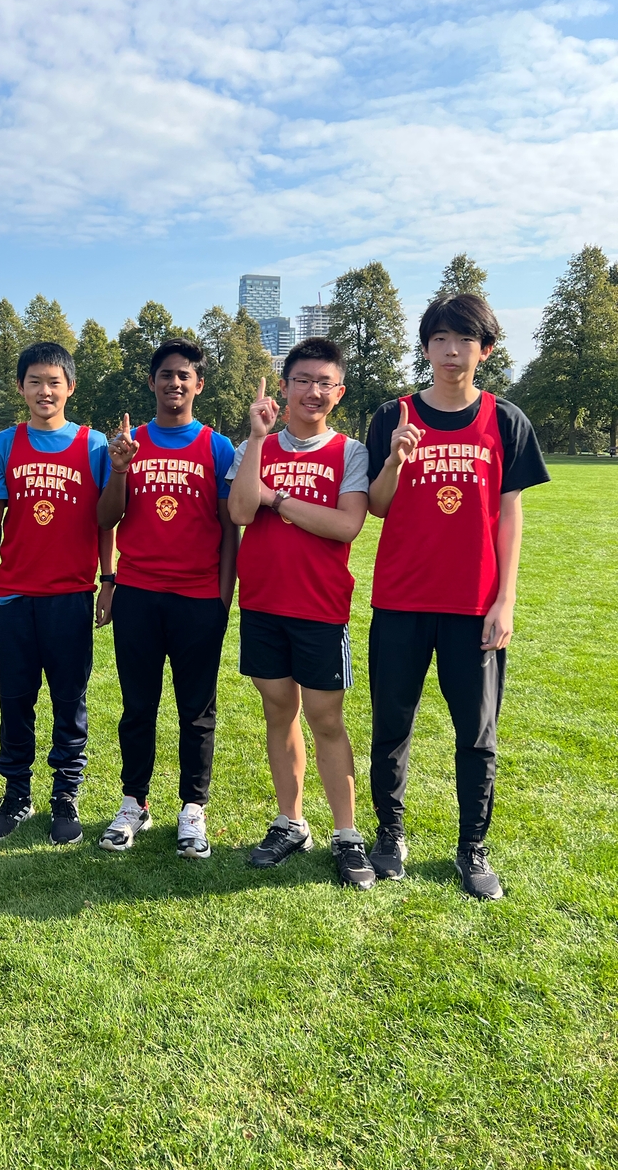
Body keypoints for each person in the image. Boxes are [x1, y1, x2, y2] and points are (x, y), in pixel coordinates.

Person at [366, 293, 549, 900]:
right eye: (439, 339)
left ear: (485, 350)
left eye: (463, 340)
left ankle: (472, 847)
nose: (450, 351)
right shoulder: (392, 415)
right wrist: (394, 461)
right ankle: (390, 835)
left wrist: (506, 601)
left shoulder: (506, 420)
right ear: (425, 347)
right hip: (401, 599)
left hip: (474, 606)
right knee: (392, 723)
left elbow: (509, 515)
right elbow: (376, 505)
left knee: (476, 733)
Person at [228, 339, 376, 890]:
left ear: (337, 394)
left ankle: (347, 834)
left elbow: (345, 526)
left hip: (319, 608)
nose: (312, 392)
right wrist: (258, 441)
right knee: (278, 713)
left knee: (327, 719)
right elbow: (241, 509)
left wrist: (279, 500)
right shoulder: (257, 446)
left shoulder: (350, 452)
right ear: (284, 385)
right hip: (263, 603)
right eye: (302, 380)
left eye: (324, 384)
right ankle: (290, 822)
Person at [95, 338, 238, 859]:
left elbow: (229, 530)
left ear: (198, 385)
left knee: (196, 710)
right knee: (138, 707)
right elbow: (104, 519)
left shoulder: (217, 447)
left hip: (199, 599)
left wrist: (222, 599)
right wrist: (121, 468)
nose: (174, 383)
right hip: (138, 594)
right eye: (165, 375)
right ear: (152, 382)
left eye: (184, 375)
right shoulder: (128, 443)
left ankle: (192, 809)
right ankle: (134, 802)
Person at [0, 341, 114, 846]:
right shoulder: (6, 443)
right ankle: (16, 793)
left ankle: (65, 795)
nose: (45, 391)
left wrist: (108, 579)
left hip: (71, 595)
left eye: (54, 382)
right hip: (14, 596)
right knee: (16, 699)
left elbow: (105, 521)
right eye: (35, 382)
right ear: (21, 388)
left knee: (69, 699)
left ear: (70, 387)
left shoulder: (94, 445)